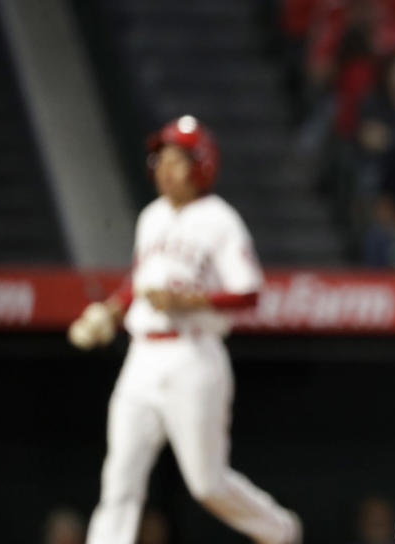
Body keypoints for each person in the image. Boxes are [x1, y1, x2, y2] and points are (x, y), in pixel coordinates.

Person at [67, 116, 301, 544]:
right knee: (120, 475)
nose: (165, 168)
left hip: (194, 355)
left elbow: (249, 293)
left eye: (177, 159)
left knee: (206, 483)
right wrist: (110, 311)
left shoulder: (220, 219)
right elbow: (140, 280)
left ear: (201, 166)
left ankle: (279, 530)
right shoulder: (151, 217)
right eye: (162, 159)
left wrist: (187, 301)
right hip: (142, 357)